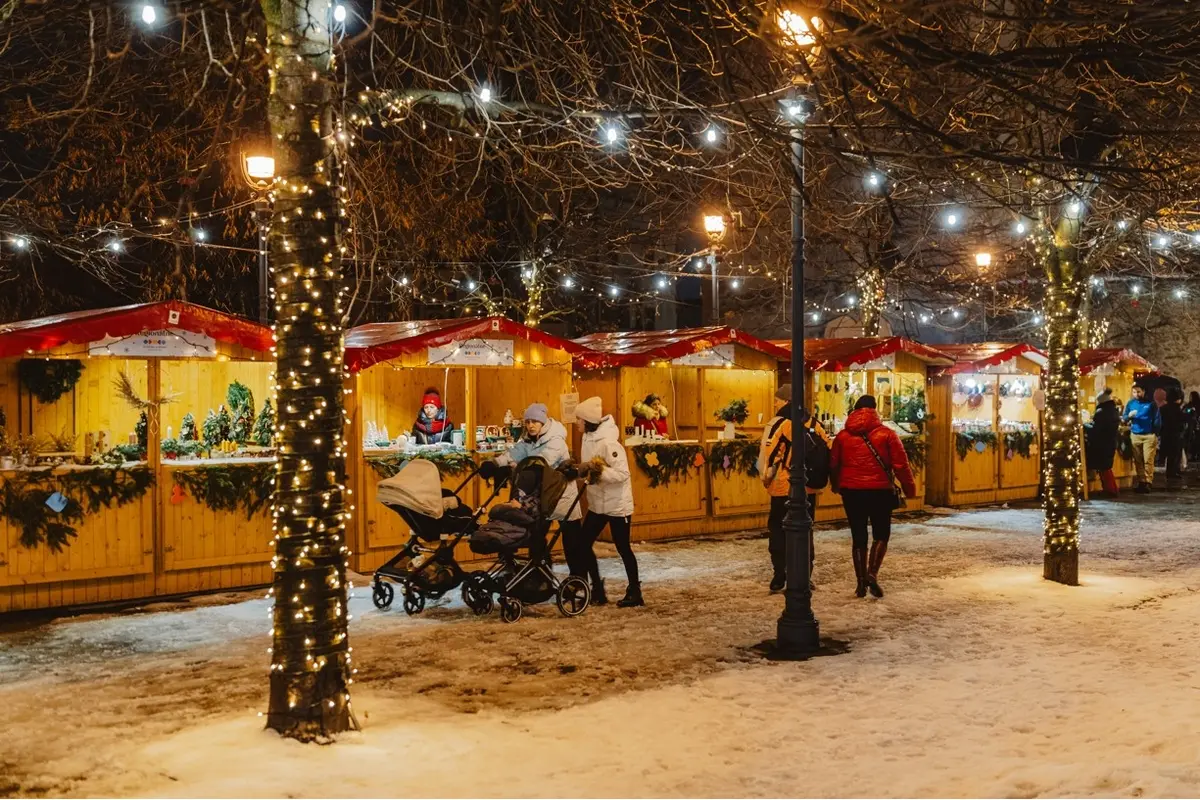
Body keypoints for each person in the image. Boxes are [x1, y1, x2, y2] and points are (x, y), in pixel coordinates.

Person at [493, 403, 592, 597]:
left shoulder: (555, 441)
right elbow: (514, 453)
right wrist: (495, 463)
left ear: (543, 422)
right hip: (542, 498)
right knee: (536, 537)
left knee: (571, 541)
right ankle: (540, 575)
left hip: (562, 497)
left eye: (535, 421)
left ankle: (579, 579)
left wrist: (519, 469)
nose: (530, 425)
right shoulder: (529, 440)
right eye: (528, 422)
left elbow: (540, 463)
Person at [829, 395, 917, 599]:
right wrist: (909, 490)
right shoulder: (887, 434)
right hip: (880, 491)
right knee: (881, 534)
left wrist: (836, 485)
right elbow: (900, 465)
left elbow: (834, 464)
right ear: (875, 411)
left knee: (858, 536)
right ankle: (872, 574)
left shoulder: (842, 436)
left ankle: (860, 584)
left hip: (851, 491)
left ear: (854, 410)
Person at [758, 383, 831, 593]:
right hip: (808, 488)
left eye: (778, 400)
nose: (775, 403)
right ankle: (804, 576)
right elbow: (827, 448)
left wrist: (766, 479)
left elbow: (768, 454)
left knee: (779, 530)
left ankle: (780, 574)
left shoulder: (778, 423)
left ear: (787, 401)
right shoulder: (813, 423)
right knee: (805, 531)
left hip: (783, 487)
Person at [574, 395, 642, 608]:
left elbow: (622, 474)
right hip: (598, 503)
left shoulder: (609, 442)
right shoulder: (587, 438)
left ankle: (635, 591)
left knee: (623, 547)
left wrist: (596, 471)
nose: (576, 423)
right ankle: (596, 587)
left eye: (579, 419)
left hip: (617, 505)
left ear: (587, 421)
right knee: (583, 544)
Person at [1124, 384, 1160, 493]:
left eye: (1138, 392)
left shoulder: (1151, 404)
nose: (1136, 394)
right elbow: (1124, 417)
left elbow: (1157, 419)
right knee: (1138, 460)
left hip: (1149, 435)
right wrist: (1129, 416)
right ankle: (1141, 481)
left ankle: (1148, 481)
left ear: (1143, 391)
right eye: (1134, 392)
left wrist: (1155, 433)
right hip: (1135, 434)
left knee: (1148, 459)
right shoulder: (1131, 403)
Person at [1087, 389, 1121, 498]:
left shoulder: (1102, 412)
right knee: (1106, 467)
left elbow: (1096, 429)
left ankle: (1110, 490)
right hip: (1109, 442)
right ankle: (1112, 489)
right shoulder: (1113, 411)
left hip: (1101, 444)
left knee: (1104, 468)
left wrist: (1084, 426)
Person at [1160, 387, 1186, 489]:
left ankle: (1169, 471)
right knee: (1175, 454)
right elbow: (1182, 421)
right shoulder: (1177, 409)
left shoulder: (1163, 408)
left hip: (1166, 433)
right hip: (1175, 434)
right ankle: (1173, 471)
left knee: (1168, 453)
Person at [1185, 391, 1200, 461]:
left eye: (1191, 396)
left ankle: (1195, 454)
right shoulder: (1189, 405)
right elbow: (1186, 411)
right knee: (1191, 440)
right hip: (1191, 424)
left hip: (1195, 424)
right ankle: (1192, 455)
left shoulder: (1198, 404)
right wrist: (1189, 410)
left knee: (1195, 440)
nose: (1190, 398)